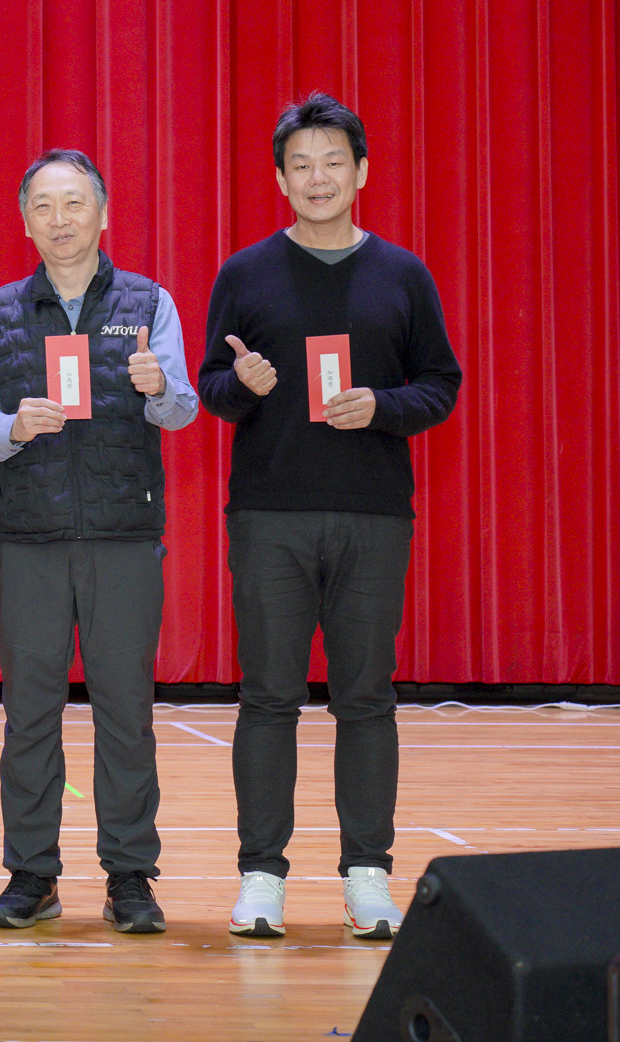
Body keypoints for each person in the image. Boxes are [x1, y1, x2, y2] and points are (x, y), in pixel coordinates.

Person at [197, 93, 461, 939]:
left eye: (333, 162)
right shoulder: (244, 273)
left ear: (362, 171)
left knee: (366, 697)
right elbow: (210, 387)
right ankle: (261, 876)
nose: (318, 178)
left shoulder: (402, 274)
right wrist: (244, 387)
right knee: (268, 696)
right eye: (301, 164)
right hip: (269, 516)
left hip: (373, 515)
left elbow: (441, 384)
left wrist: (382, 405)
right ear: (280, 178)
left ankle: (367, 875)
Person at [0, 150, 197, 934]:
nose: (60, 219)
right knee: (29, 711)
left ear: (102, 213)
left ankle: (130, 874)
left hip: (123, 535)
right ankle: (31, 873)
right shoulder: (3, 309)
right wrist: (11, 426)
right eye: (43, 205)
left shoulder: (149, 301)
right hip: (30, 537)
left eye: (74, 203)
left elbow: (183, 409)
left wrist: (158, 388)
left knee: (126, 710)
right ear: (25, 221)